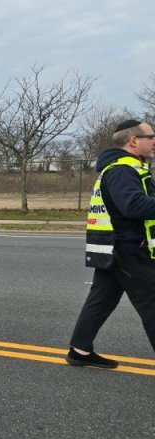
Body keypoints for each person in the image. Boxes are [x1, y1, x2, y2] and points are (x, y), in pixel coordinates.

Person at [67, 119, 155, 369]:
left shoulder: (127, 167)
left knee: (103, 298)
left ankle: (80, 350)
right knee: (152, 301)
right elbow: (133, 205)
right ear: (133, 140)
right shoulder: (122, 169)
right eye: (151, 136)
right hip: (128, 249)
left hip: (115, 247)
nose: (154, 141)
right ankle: (80, 350)